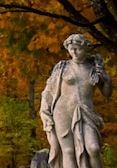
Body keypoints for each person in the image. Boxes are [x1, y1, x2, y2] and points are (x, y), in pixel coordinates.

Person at [42, 33, 110, 168]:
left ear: (86, 49)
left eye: (77, 48)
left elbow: (107, 93)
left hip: (85, 112)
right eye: (70, 48)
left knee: (93, 148)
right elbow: (49, 92)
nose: (73, 51)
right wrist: (44, 112)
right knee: (68, 151)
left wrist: (106, 79)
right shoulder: (63, 67)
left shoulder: (94, 68)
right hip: (63, 112)